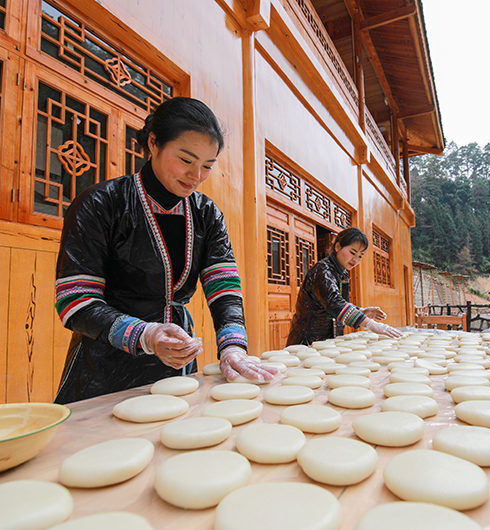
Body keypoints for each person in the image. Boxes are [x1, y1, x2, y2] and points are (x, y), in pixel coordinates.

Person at [53, 97, 276, 403]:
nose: (196, 176)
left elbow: (223, 288)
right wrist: (145, 335)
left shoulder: (206, 214)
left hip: (178, 361)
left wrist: (233, 348)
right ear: (154, 143)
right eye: (186, 160)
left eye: (207, 166)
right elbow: (75, 299)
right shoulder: (101, 203)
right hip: (104, 363)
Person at [286, 227, 402, 346]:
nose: (355, 259)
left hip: (325, 342)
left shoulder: (341, 273)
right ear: (337, 247)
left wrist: (362, 311)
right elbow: (334, 304)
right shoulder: (322, 271)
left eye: (360, 256)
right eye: (352, 252)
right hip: (307, 341)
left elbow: (339, 304)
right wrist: (372, 325)